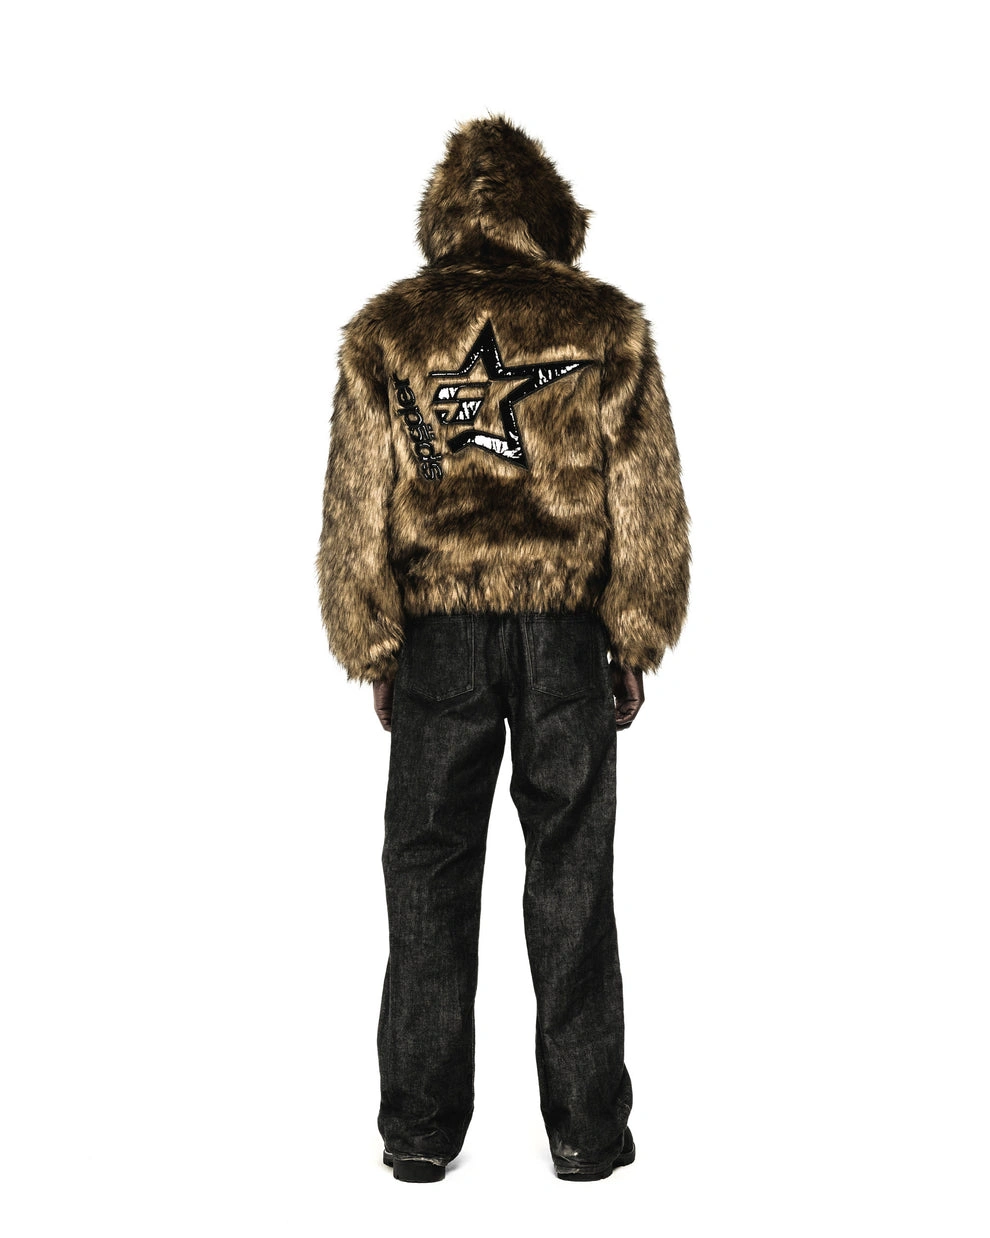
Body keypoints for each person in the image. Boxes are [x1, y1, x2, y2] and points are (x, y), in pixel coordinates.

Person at [316, 115, 690, 1182]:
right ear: (551, 216)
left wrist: (374, 640)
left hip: (439, 639)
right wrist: (634, 631)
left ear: (444, 217)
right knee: (571, 872)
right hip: (566, 633)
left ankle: (418, 1130)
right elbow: (647, 495)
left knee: (427, 874)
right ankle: (587, 1130)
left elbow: (356, 500)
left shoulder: (391, 333)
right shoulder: (604, 327)